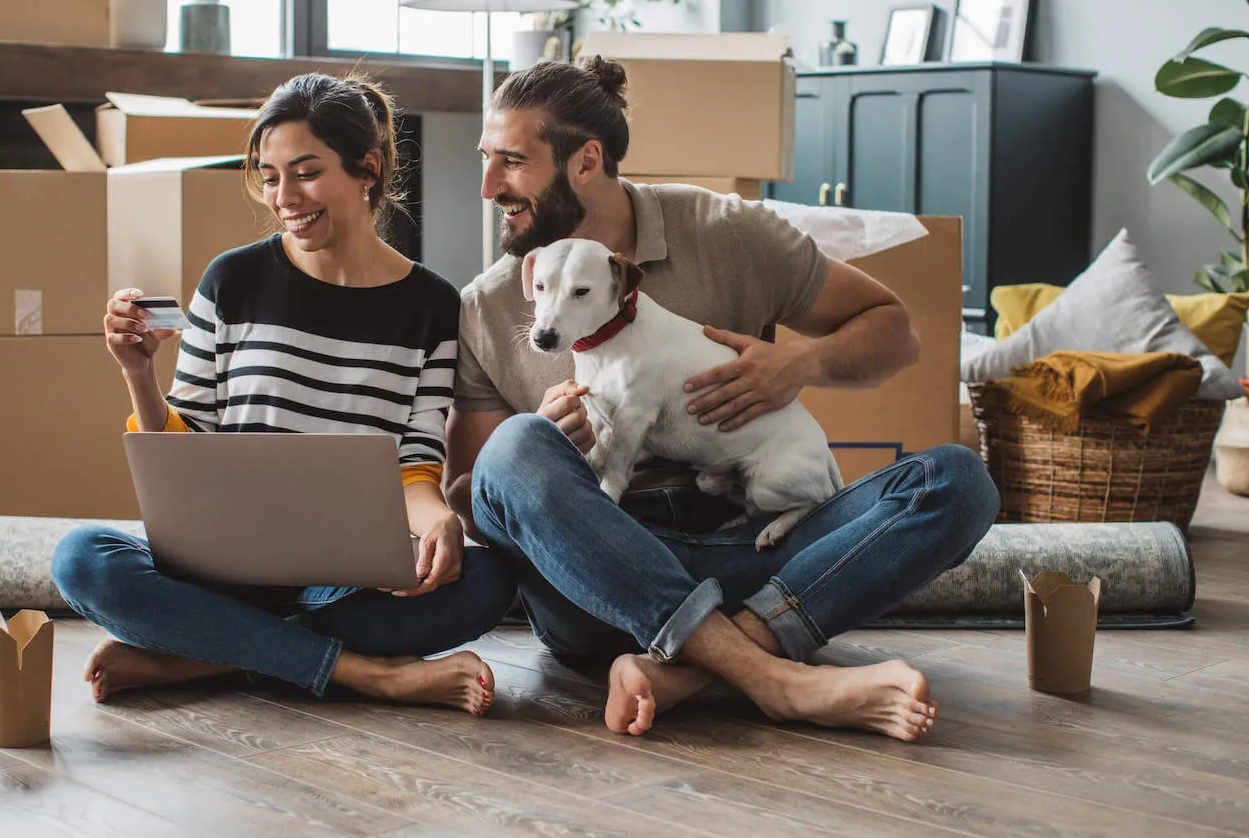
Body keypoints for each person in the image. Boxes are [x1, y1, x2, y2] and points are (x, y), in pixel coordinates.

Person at [443, 57, 1000, 741]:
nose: (487, 185)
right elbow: (472, 494)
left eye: (510, 161)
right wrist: (546, 451)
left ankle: (691, 668)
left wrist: (800, 363)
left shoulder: (723, 230)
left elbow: (895, 332)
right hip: (600, 584)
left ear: (586, 161)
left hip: (752, 541)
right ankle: (775, 675)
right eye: (485, 159)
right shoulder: (487, 305)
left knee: (957, 480)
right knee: (515, 448)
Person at [52, 73, 515, 713]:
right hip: (221, 570)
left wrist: (436, 517)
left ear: (368, 169)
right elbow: (187, 447)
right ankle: (368, 675)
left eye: (305, 172)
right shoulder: (231, 280)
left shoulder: (433, 306)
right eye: (270, 177)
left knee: (490, 578)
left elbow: (414, 459)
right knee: (81, 559)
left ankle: (197, 659)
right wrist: (138, 374)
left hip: (342, 580)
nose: (285, 196)